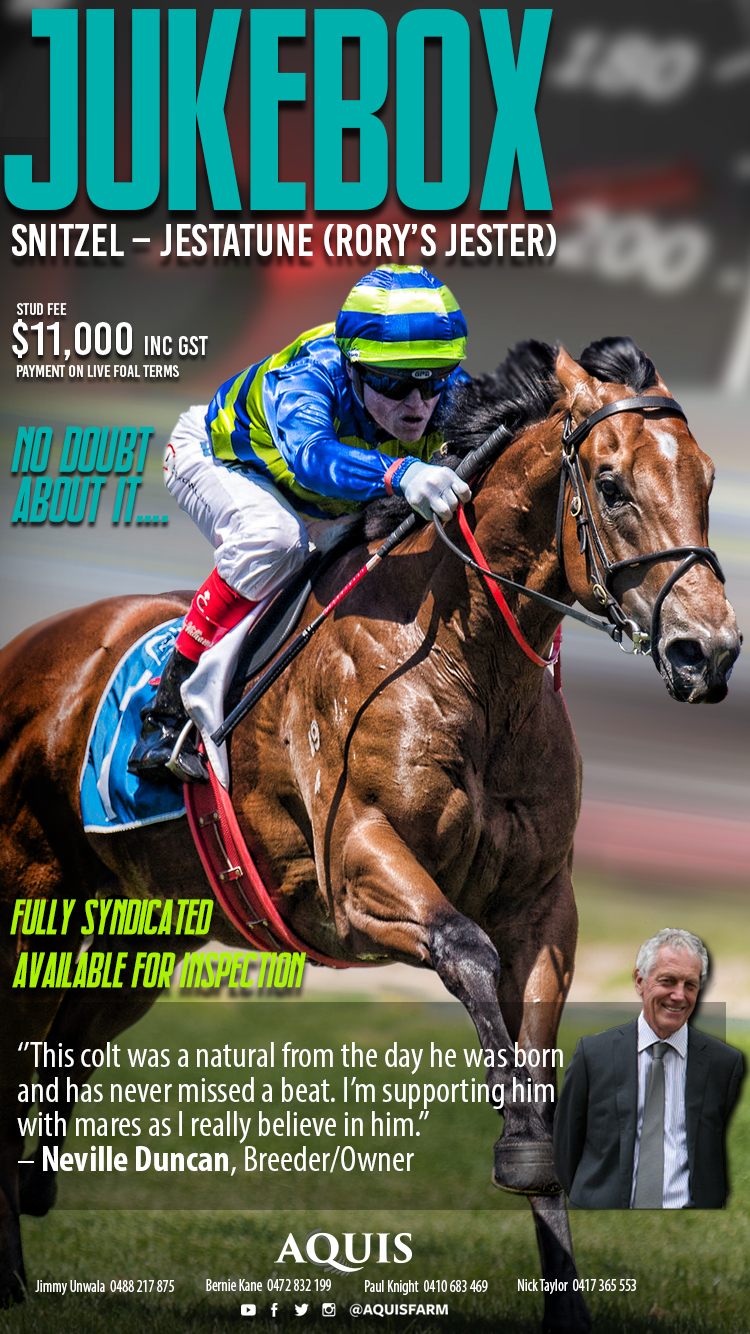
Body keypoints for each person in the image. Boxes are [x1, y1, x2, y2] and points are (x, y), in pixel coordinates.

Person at [128, 264, 472, 783]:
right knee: (274, 540)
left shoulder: (449, 393)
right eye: (395, 382)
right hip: (220, 457)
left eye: (433, 379)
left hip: (319, 496)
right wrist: (402, 473)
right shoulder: (310, 375)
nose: (418, 404)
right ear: (353, 367)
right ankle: (167, 711)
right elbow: (312, 458)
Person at [553, 927, 743, 1209]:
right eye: (668, 981)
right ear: (640, 981)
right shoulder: (593, 1054)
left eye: (690, 985)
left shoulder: (723, 1063)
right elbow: (565, 1146)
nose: (679, 995)